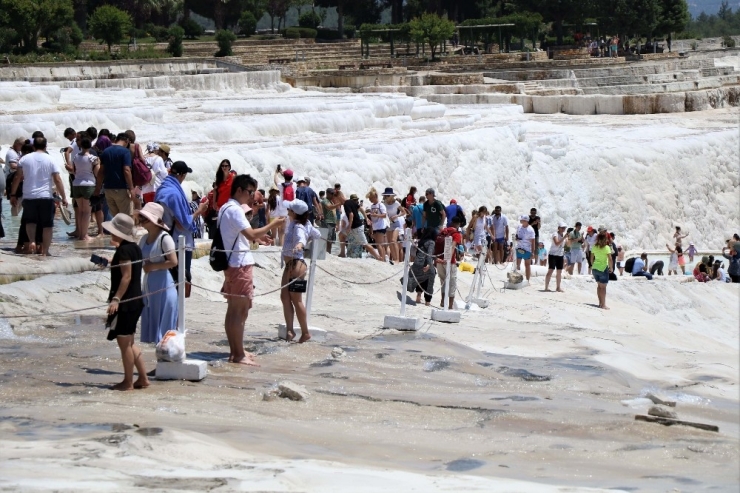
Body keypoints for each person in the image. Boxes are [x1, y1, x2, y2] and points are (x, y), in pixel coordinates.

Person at [219, 174, 284, 364]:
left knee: (234, 310)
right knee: (239, 311)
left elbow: (244, 235)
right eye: (249, 192)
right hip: (239, 264)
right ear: (239, 190)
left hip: (233, 263)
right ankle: (238, 354)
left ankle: (236, 350)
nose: (251, 197)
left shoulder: (226, 208)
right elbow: (250, 233)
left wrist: (259, 238)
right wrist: (273, 224)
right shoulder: (235, 210)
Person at [102, 213, 148, 391]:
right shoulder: (133, 248)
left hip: (127, 302)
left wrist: (116, 299)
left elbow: (126, 277)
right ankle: (142, 378)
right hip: (136, 300)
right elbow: (129, 269)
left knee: (124, 343)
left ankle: (128, 381)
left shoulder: (123, 250)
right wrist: (111, 262)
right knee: (129, 342)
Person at [155, 161, 207, 297]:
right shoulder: (174, 194)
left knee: (168, 282)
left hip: (163, 239)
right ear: (182, 175)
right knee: (179, 283)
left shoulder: (162, 189)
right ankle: (176, 316)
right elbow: (182, 223)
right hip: (178, 243)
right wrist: (199, 211)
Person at [9, 137, 68, 256]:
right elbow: (57, 179)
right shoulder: (51, 159)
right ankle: (45, 252)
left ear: (34, 146)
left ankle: (32, 241)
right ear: (46, 146)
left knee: (30, 221)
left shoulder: (24, 159)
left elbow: (17, 177)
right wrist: (64, 196)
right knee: (47, 225)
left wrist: (13, 194)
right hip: (46, 196)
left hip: (29, 196)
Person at [280, 199, 321, 343]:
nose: (287, 211)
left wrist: (300, 244)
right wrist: (308, 238)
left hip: (297, 265)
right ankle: (290, 331)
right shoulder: (305, 223)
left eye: (289, 209)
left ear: (294, 213)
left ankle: (305, 332)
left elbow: (301, 238)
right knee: (285, 297)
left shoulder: (298, 226)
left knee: (296, 301)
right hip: (291, 265)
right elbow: (317, 234)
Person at [137, 202, 178, 344]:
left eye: (144, 218)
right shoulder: (143, 239)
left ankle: (164, 365)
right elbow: (135, 260)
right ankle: (160, 365)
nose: (141, 220)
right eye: (141, 217)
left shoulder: (164, 238)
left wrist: (153, 266)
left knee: (164, 333)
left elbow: (173, 262)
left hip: (164, 289)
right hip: (149, 290)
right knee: (154, 332)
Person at [95, 133, 136, 218]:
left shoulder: (105, 151)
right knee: (126, 218)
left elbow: (101, 172)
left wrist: (98, 188)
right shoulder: (125, 152)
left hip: (108, 190)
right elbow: (126, 170)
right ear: (127, 141)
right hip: (121, 189)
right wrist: (131, 188)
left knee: (116, 219)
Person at [71, 137, 99, 241]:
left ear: (81, 146)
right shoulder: (93, 158)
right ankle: (84, 235)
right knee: (87, 212)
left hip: (76, 184)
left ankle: (80, 234)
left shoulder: (76, 157)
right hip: (88, 184)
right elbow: (97, 173)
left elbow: (73, 171)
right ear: (90, 145)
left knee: (81, 211)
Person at [435, 216, 463, 309]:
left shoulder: (443, 231)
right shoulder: (456, 234)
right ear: (458, 224)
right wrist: (447, 260)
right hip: (449, 262)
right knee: (452, 283)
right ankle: (450, 305)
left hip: (439, 260)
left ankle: (443, 302)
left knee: (443, 282)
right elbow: (453, 246)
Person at [344, 193, 381, 260]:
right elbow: (361, 210)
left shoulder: (350, 205)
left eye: (356, 200)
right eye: (355, 200)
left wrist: (366, 218)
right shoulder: (354, 205)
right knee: (353, 243)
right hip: (356, 227)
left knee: (364, 243)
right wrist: (366, 218)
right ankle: (351, 256)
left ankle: (378, 257)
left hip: (357, 227)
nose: (356, 201)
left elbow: (352, 215)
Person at [408, 227, 437, 305]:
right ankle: (428, 301)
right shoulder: (431, 242)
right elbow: (429, 254)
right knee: (430, 279)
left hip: (417, 263)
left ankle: (418, 295)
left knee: (420, 278)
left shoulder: (421, 241)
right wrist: (429, 265)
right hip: (425, 263)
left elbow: (418, 253)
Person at [590, 230, 614, 310]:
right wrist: (611, 268)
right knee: (603, 287)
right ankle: (603, 305)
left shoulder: (594, 247)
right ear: (605, 239)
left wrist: (593, 265)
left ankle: (600, 303)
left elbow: (591, 258)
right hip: (603, 269)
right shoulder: (606, 248)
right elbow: (610, 259)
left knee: (599, 286)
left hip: (595, 268)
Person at [366, 188, 390, 262]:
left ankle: (382, 259)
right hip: (375, 226)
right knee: (378, 244)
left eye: (371, 198)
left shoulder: (381, 205)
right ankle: (382, 258)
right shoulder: (372, 206)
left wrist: (376, 215)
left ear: (375, 197)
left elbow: (384, 215)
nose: (370, 200)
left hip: (380, 226)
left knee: (379, 244)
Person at [383, 187, 405, 263]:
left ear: (392, 196)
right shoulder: (384, 203)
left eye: (388, 195)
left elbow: (403, 212)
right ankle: (394, 258)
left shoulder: (396, 203)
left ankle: (397, 259)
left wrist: (397, 216)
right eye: (386, 195)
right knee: (390, 242)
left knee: (393, 240)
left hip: (396, 223)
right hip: (389, 223)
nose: (386, 197)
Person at [544, 222, 567, 292]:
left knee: (559, 271)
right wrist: (564, 237)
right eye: (562, 228)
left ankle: (558, 287)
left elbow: (567, 245)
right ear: (559, 228)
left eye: (564, 228)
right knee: (550, 270)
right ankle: (546, 287)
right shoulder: (555, 234)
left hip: (560, 255)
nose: (563, 229)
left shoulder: (564, 236)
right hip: (553, 254)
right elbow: (557, 243)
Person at [515, 215, 536, 281]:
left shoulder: (531, 230)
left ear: (526, 221)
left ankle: (527, 280)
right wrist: (517, 238)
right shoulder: (519, 227)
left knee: (527, 265)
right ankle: (516, 278)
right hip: (519, 247)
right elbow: (516, 235)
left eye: (522, 220)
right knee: (517, 264)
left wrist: (532, 252)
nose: (521, 221)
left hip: (527, 249)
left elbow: (533, 242)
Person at [319, 188, 339, 253]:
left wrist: (336, 223)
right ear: (328, 193)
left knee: (330, 239)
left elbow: (334, 213)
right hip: (327, 222)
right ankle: (325, 252)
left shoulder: (331, 201)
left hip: (332, 222)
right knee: (327, 238)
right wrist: (339, 203)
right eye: (332, 194)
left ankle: (328, 252)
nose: (333, 195)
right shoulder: (325, 201)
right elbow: (329, 207)